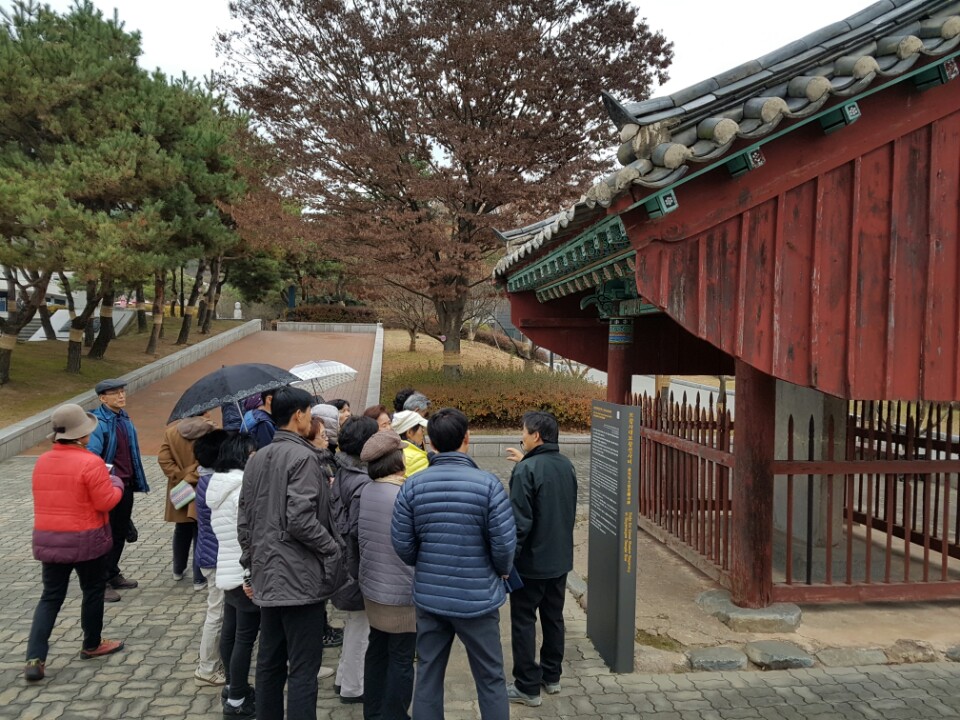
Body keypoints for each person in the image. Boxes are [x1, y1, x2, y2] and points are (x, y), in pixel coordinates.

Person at [391, 408, 516, 720]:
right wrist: (500, 571)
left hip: (430, 598)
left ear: (431, 443)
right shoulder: (489, 485)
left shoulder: (412, 486)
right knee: (490, 678)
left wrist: (426, 562)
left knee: (429, 674)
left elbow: (403, 545)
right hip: (479, 599)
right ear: (467, 439)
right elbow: (504, 546)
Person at [238, 386, 344, 720]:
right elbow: (300, 519)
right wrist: (331, 548)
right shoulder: (304, 458)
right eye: (310, 414)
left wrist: (250, 562)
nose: (311, 420)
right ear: (298, 415)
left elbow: (244, 520)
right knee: (303, 667)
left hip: (268, 575)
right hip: (300, 578)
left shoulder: (257, 459)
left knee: (269, 662)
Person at [24, 404, 125, 682]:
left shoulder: (43, 461)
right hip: (85, 539)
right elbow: (106, 501)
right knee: (92, 590)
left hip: (49, 538)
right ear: (81, 435)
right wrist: (116, 482)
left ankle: (34, 658)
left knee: (50, 597)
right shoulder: (91, 462)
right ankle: (92, 644)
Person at [504, 411, 578, 707]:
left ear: (536, 435)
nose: (521, 436)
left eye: (523, 431)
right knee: (553, 617)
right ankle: (552, 676)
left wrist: (507, 562)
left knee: (523, 621)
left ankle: (527, 686)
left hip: (531, 565)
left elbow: (519, 524)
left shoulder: (527, 470)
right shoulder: (566, 465)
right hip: (560, 560)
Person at [357, 429, 416, 720]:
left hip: (373, 589)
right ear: (395, 461)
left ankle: (373, 712)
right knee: (402, 659)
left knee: (377, 650)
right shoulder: (403, 496)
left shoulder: (367, 491)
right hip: (401, 594)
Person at [209, 433, 262, 719]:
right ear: (241, 456)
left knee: (231, 632)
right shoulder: (242, 489)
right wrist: (251, 575)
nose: (256, 458)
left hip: (227, 570)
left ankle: (232, 686)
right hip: (243, 573)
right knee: (244, 637)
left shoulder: (219, 486)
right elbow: (250, 536)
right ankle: (238, 699)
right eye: (253, 454)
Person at [329, 416, 379, 705]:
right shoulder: (361, 481)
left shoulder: (344, 470)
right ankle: (353, 687)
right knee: (361, 628)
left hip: (344, 564)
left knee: (355, 625)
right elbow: (360, 533)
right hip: (356, 567)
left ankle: (343, 679)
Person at [87, 378, 150, 602]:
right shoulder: (97, 422)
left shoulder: (124, 418)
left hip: (126, 485)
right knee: (106, 535)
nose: (121, 396)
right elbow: (93, 457)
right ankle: (100, 581)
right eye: (115, 393)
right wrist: (106, 481)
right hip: (108, 486)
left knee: (120, 532)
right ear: (103, 398)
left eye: (123, 391)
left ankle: (112, 573)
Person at [158, 411, 218, 589]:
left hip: (180, 487)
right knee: (202, 530)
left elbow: (163, 459)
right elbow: (213, 458)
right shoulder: (211, 430)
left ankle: (178, 569)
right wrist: (193, 474)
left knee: (181, 528)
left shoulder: (171, 432)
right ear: (205, 411)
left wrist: (180, 476)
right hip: (202, 485)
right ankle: (199, 578)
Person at [193, 429, 230, 687]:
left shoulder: (206, 478)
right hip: (215, 558)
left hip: (211, 555)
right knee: (217, 613)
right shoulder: (214, 484)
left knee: (219, 611)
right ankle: (206, 668)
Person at [390, 410, 429, 478]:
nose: (423, 431)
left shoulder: (391, 451)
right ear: (409, 432)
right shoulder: (417, 459)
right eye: (421, 428)